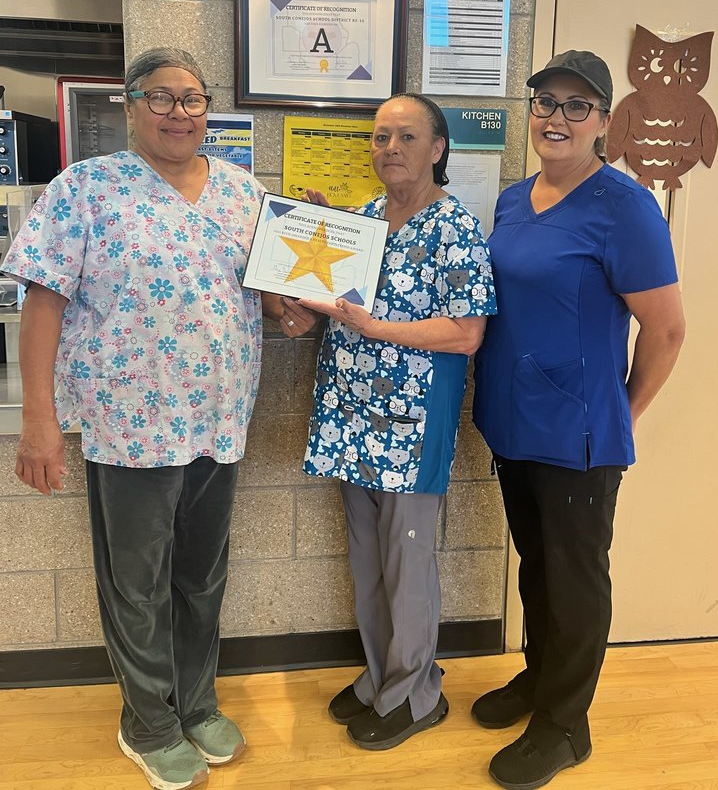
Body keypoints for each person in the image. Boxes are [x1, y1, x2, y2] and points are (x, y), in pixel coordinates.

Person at [4, 48, 309, 790]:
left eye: (194, 98)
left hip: (218, 418)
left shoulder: (243, 193)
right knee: (137, 581)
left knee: (201, 575)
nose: (181, 112)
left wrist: (290, 305)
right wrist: (38, 422)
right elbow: (41, 305)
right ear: (132, 105)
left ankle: (195, 703)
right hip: (129, 421)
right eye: (164, 98)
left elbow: (265, 289)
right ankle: (147, 720)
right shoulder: (87, 188)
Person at [471, 50, 686, 790]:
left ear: (603, 123)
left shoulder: (623, 208)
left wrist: (619, 416)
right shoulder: (510, 199)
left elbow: (666, 330)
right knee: (539, 568)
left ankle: (567, 726)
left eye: (576, 107)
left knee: (576, 579)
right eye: (545, 103)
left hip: (580, 434)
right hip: (513, 420)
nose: (556, 118)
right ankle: (540, 680)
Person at [290, 93, 496, 751]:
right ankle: (383, 677)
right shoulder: (368, 218)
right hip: (352, 418)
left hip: (411, 425)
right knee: (368, 559)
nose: (391, 149)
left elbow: (466, 333)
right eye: (381, 137)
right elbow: (330, 285)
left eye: (407, 137)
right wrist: (312, 229)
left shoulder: (454, 229)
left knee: (407, 564)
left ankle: (415, 696)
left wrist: (380, 329)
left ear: (437, 149)